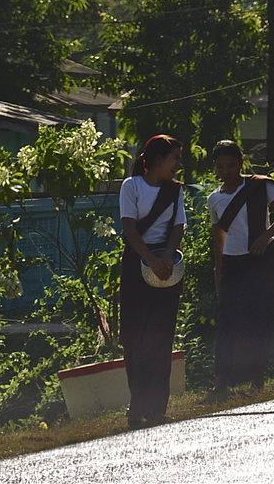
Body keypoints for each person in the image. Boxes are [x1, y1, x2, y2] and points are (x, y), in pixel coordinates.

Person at [207, 140, 274, 396]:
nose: (226, 172)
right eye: (220, 167)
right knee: (227, 321)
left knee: (264, 317)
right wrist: (218, 269)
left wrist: (265, 236)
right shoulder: (215, 199)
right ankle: (221, 381)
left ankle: (257, 379)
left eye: (231, 166)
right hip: (233, 263)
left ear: (241, 163)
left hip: (263, 259)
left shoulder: (261, 186)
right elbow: (219, 237)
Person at [118, 134, 187, 428]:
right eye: (174, 159)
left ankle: (157, 406)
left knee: (161, 336)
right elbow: (129, 229)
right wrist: (150, 259)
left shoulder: (175, 191)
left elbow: (178, 226)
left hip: (166, 265)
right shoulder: (131, 186)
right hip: (137, 264)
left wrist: (166, 258)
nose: (177, 166)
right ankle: (137, 404)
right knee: (135, 336)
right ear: (158, 160)